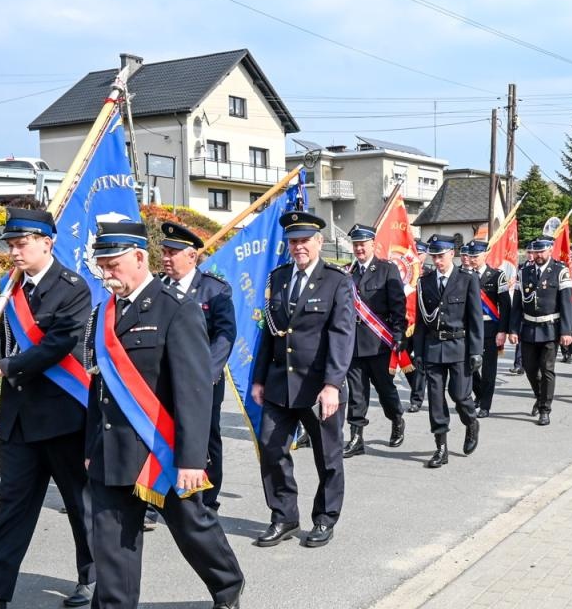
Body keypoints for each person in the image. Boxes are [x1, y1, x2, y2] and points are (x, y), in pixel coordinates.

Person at [62, 219, 244, 609]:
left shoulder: (176, 309)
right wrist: (90, 445)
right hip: (112, 448)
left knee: (191, 525)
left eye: (114, 264)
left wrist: (190, 458)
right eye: (103, 266)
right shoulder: (103, 314)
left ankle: (227, 583)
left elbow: (193, 391)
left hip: (162, 451)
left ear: (139, 257)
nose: (107, 274)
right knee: (111, 543)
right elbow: (99, 388)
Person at [0, 207, 94, 609]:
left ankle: (94, 575)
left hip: (63, 417)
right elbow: (16, 348)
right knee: (12, 507)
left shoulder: (73, 288)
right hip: (17, 420)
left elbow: (55, 348)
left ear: (47, 242)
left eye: (21, 243)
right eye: (10, 244)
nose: (14, 252)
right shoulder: (8, 288)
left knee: (80, 503)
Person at [250, 210, 357, 548]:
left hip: (317, 387)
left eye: (304, 240)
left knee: (328, 456)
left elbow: (342, 335)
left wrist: (332, 385)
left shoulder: (337, 281)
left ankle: (325, 518)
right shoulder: (279, 277)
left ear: (319, 242)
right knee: (271, 449)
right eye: (293, 241)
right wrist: (258, 379)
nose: (298, 247)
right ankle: (284, 516)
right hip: (279, 384)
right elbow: (268, 332)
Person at [158, 221, 236, 508]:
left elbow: (225, 336)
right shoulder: (157, 287)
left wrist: (206, 375)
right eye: (164, 252)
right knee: (162, 433)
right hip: (163, 379)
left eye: (172, 253)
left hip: (202, 382)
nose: (166, 258)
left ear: (191, 256)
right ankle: (160, 496)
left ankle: (208, 500)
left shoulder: (214, 290)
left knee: (205, 438)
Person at [412, 235, 482, 467]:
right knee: (435, 398)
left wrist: (476, 351)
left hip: (459, 346)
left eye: (441, 256)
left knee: (460, 395)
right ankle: (441, 447)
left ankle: (471, 422)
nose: (437, 261)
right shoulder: (425, 282)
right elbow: (421, 321)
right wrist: (418, 352)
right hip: (433, 346)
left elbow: (475, 318)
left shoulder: (467, 279)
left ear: (452, 253)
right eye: (434, 256)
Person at [342, 224, 407, 458]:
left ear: (373, 244)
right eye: (356, 244)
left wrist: (399, 334)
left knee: (385, 389)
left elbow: (398, 305)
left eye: (363, 244)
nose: (359, 248)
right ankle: (356, 437)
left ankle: (396, 418)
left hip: (379, 342)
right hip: (353, 344)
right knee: (356, 393)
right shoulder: (347, 273)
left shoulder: (387, 269)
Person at [500, 236, 572, 425]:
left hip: (550, 328)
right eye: (535, 251)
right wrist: (513, 329)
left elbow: (566, 304)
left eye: (542, 251)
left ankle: (544, 409)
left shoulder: (560, 271)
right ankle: (540, 396)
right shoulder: (524, 272)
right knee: (530, 368)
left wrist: (566, 331)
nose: (538, 255)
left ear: (550, 250)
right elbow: (517, 304)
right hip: (528, 328)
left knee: (547, 369)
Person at [461, 239, 506, 417]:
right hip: (468, 328)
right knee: (468, 367)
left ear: (485, 255)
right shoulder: (462, 275)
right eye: (470, 256)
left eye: (476, 256)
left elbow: (505, 306)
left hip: (489, 327)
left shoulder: (496, 276)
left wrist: (502, 330)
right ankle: (479, 394)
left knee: (488, 370)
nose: (472, 259)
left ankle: (485, 405)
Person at [405, 239, 428, 413]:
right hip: (405, 323)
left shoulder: (429, 275)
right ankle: (417, 384)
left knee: (419, 360)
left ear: (425, 255)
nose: (417, 257)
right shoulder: (402, 273)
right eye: (414, 253)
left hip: (422, 325)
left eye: (419, 253)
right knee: (403, 359)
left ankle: (416, 399)